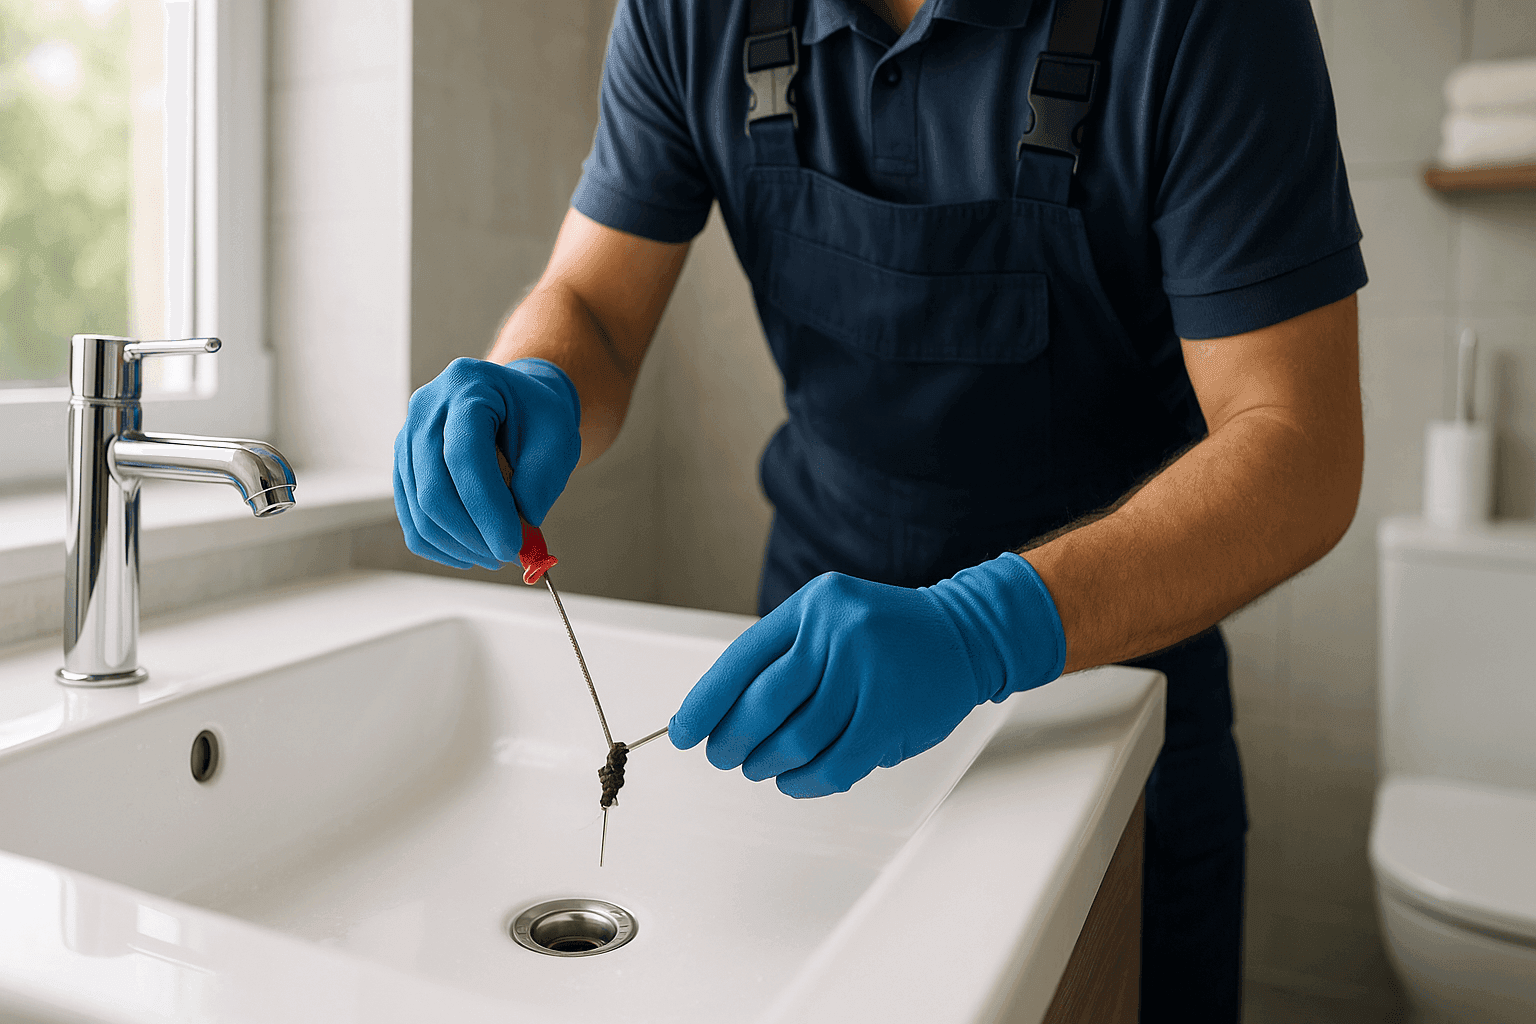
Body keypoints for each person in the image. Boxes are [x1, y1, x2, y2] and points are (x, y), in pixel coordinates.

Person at [392, 0, 1366, 1018]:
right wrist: (529, 378)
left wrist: (982, 628)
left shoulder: (1202, 21)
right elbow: (590, 302)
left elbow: (1298, 446)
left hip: (1106, 698)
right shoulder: (687, 15)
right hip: (805, 716)